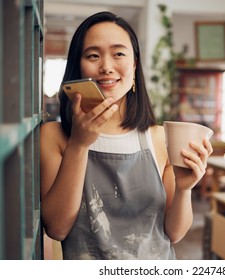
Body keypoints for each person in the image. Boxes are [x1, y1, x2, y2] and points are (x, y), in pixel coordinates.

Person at [40, 11, 213, 260]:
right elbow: (57, 228)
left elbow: (173, 234)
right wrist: (78, 145)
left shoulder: (160, 137)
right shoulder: (53, 136)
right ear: (77, 65)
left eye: (119, 53)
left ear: (134, 64)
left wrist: (185, 189)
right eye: (93, 55)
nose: (106, 67)